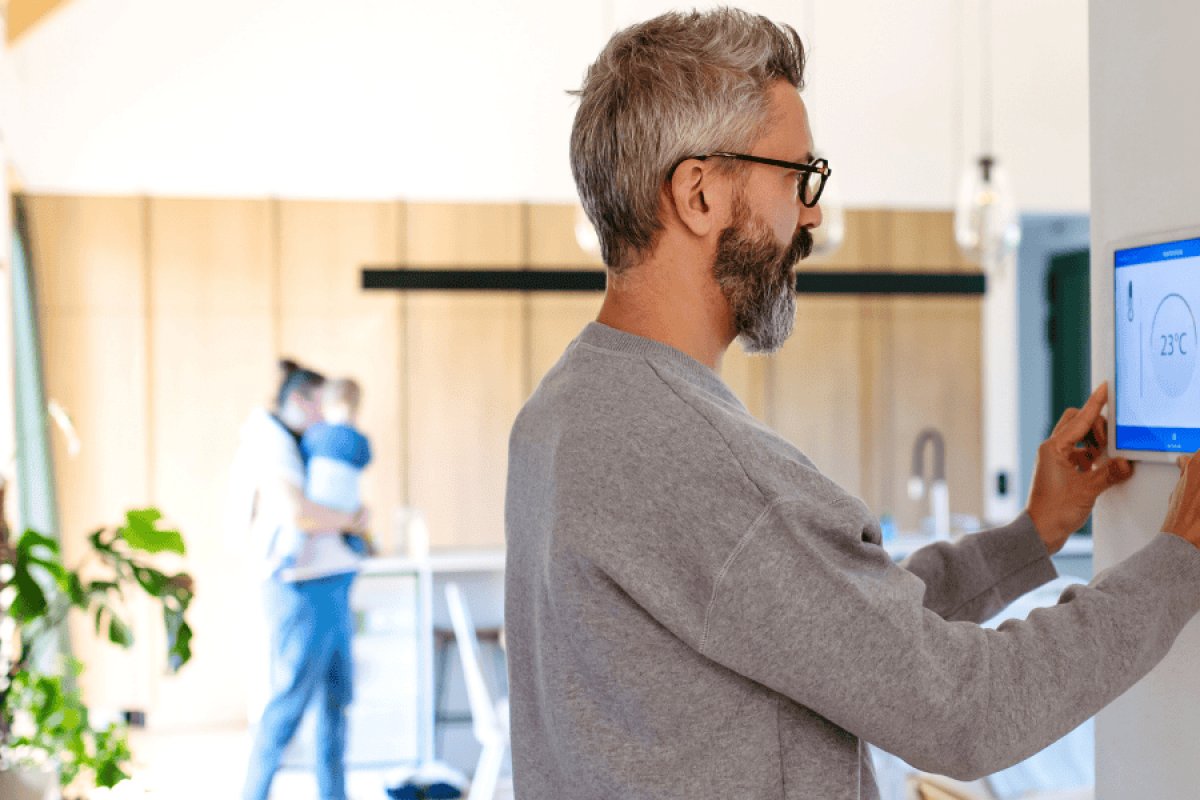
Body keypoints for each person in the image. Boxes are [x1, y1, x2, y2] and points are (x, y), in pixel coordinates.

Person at [504, 9, 1200, 800]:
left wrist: (1030, 536)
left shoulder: (563, 412)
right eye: (797, 177)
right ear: (698, 193)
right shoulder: (699, 457)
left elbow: (836, 630)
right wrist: (1179, 557)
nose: (812, 213)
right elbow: (964, 711)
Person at [236, 360, 368, 800]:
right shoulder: (270, 441)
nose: (324, 420)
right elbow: (300, 513)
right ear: (300, 400)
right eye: (321, 407)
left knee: (335, 705)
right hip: (300, 588)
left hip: (328, 582)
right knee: (288, 706)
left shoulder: (297, 442)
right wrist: (351, 521)